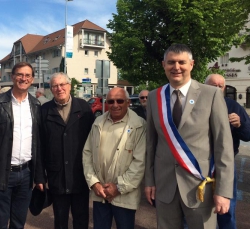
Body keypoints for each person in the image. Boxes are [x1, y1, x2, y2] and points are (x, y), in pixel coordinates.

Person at [144, 43, 234, 229]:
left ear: (191, 64)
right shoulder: (155, 97)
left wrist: (224, 191)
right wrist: (150, 181)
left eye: (181, 62)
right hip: (165, 185)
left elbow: (223, 145)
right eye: (171, 62)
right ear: (164, 65)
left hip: (200, 187)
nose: (176, 67)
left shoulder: (211, 94)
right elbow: (151, 143)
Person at [0, 62, 43, 229]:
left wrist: (38, 176)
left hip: (26, 173)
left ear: (32, 79)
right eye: (20, 75)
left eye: (27, 75)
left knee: (18, 222)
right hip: (3, 172)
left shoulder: (36, 106)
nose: (24, 78)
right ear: (13, 77)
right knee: (0, 222)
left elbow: (38, 142)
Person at [82, 87, 146, 229]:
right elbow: (87, 154)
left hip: (124, 194)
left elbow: (140, 162)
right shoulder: (98, 122)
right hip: (100, 193)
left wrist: (118, 187)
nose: (115, 105)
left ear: (128, 102)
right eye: (111, 101)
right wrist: (94, 183)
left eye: (120, 101)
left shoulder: (139, 125)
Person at [38, 72, 94, 229]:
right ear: (51, 89)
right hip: (57, 175)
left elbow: (93, 140)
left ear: (69, 86)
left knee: (81, 219)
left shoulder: (83, 107)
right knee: (60, 221)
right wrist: (40, 176)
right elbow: (40, 145)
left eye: (62, 84)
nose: (59, 88)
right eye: (55, 85)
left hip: (80, 175)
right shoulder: (44, 110)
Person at [205, 74, 250, 229]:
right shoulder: (195, 105)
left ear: (224, 88)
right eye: (213, 85)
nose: (217, 89)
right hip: (198, 164)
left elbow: (248, 135)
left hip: (225, 166)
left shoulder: (234, 106)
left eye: (220, 86)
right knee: (196, 208)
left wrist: (240, 124)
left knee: (226, 209)